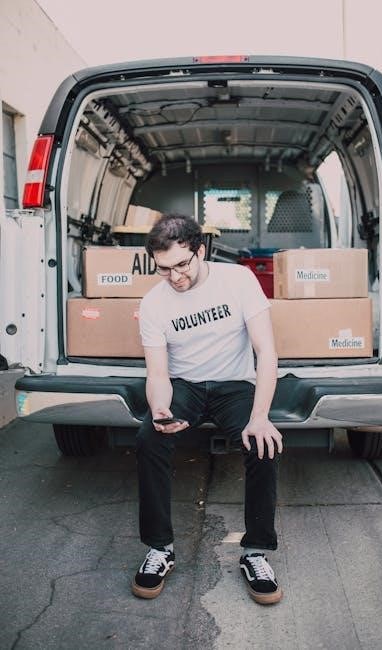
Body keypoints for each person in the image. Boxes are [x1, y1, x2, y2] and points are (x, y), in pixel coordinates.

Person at [133, 213, 283, 605]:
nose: (175, 276)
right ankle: (160, 548)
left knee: (262, 444)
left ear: (200, 251)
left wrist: (260, 417)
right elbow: (157, 373)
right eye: (164, 269)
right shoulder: (153, 303)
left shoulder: (238, 280)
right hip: (184, 385)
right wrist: (160, 409)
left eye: (182, 264)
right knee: (149, 437)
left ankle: (255, 552)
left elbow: (267, 351)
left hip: (234, 385)